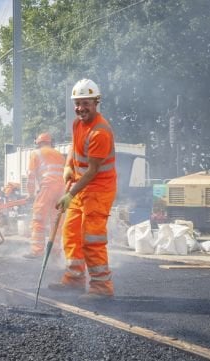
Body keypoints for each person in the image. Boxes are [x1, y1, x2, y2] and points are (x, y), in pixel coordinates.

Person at [50, 78, 117, 300]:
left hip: (98, 189)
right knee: (70, 233)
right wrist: (68, 165)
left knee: (92, 238)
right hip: (81, 187)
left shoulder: (100, 132)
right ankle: (74, 279)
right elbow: (74, 147)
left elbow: (93, 171)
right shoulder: (78, 124)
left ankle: (101, 287)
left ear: (96, 102)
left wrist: (69, 194)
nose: (81, 108)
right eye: (77, 103)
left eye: (86, 103)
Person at [24, 132, 65, 259]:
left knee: (39, 219)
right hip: (62, 189)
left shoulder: (36, 153)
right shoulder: (59, 154)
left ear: (38, 143)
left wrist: (30, 194)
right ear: (50, 142)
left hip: (48, 187)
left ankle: (37, 251)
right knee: (56, 221)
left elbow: (31, 176)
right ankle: (55, 251)